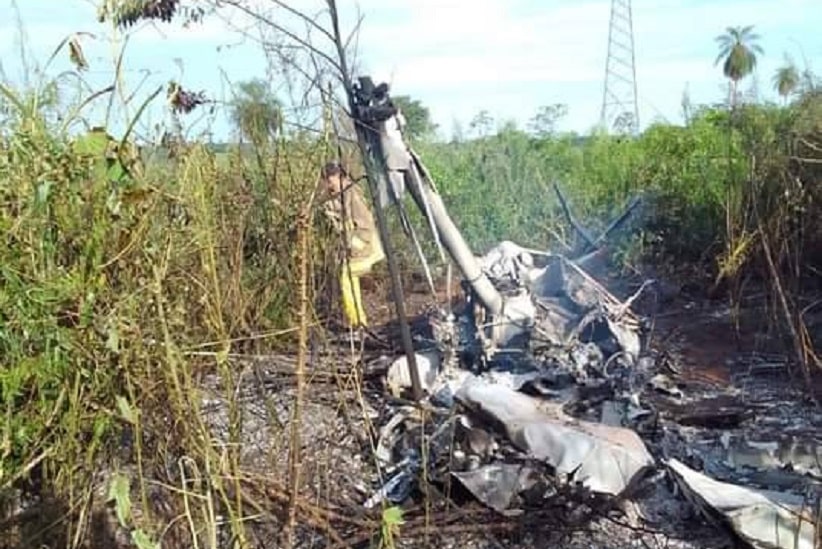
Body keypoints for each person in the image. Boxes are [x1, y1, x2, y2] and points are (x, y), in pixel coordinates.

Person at [320, 162, 385, 328]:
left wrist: (355, 245)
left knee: (346, 277)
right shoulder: (335, 196)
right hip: (355, 246)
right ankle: (358, 321)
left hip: (364, 245)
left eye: (330, 179)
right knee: (349, 279)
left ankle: (357, 322)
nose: (328, 184)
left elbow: (365, 224)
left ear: (338, 177)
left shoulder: (352, 194)